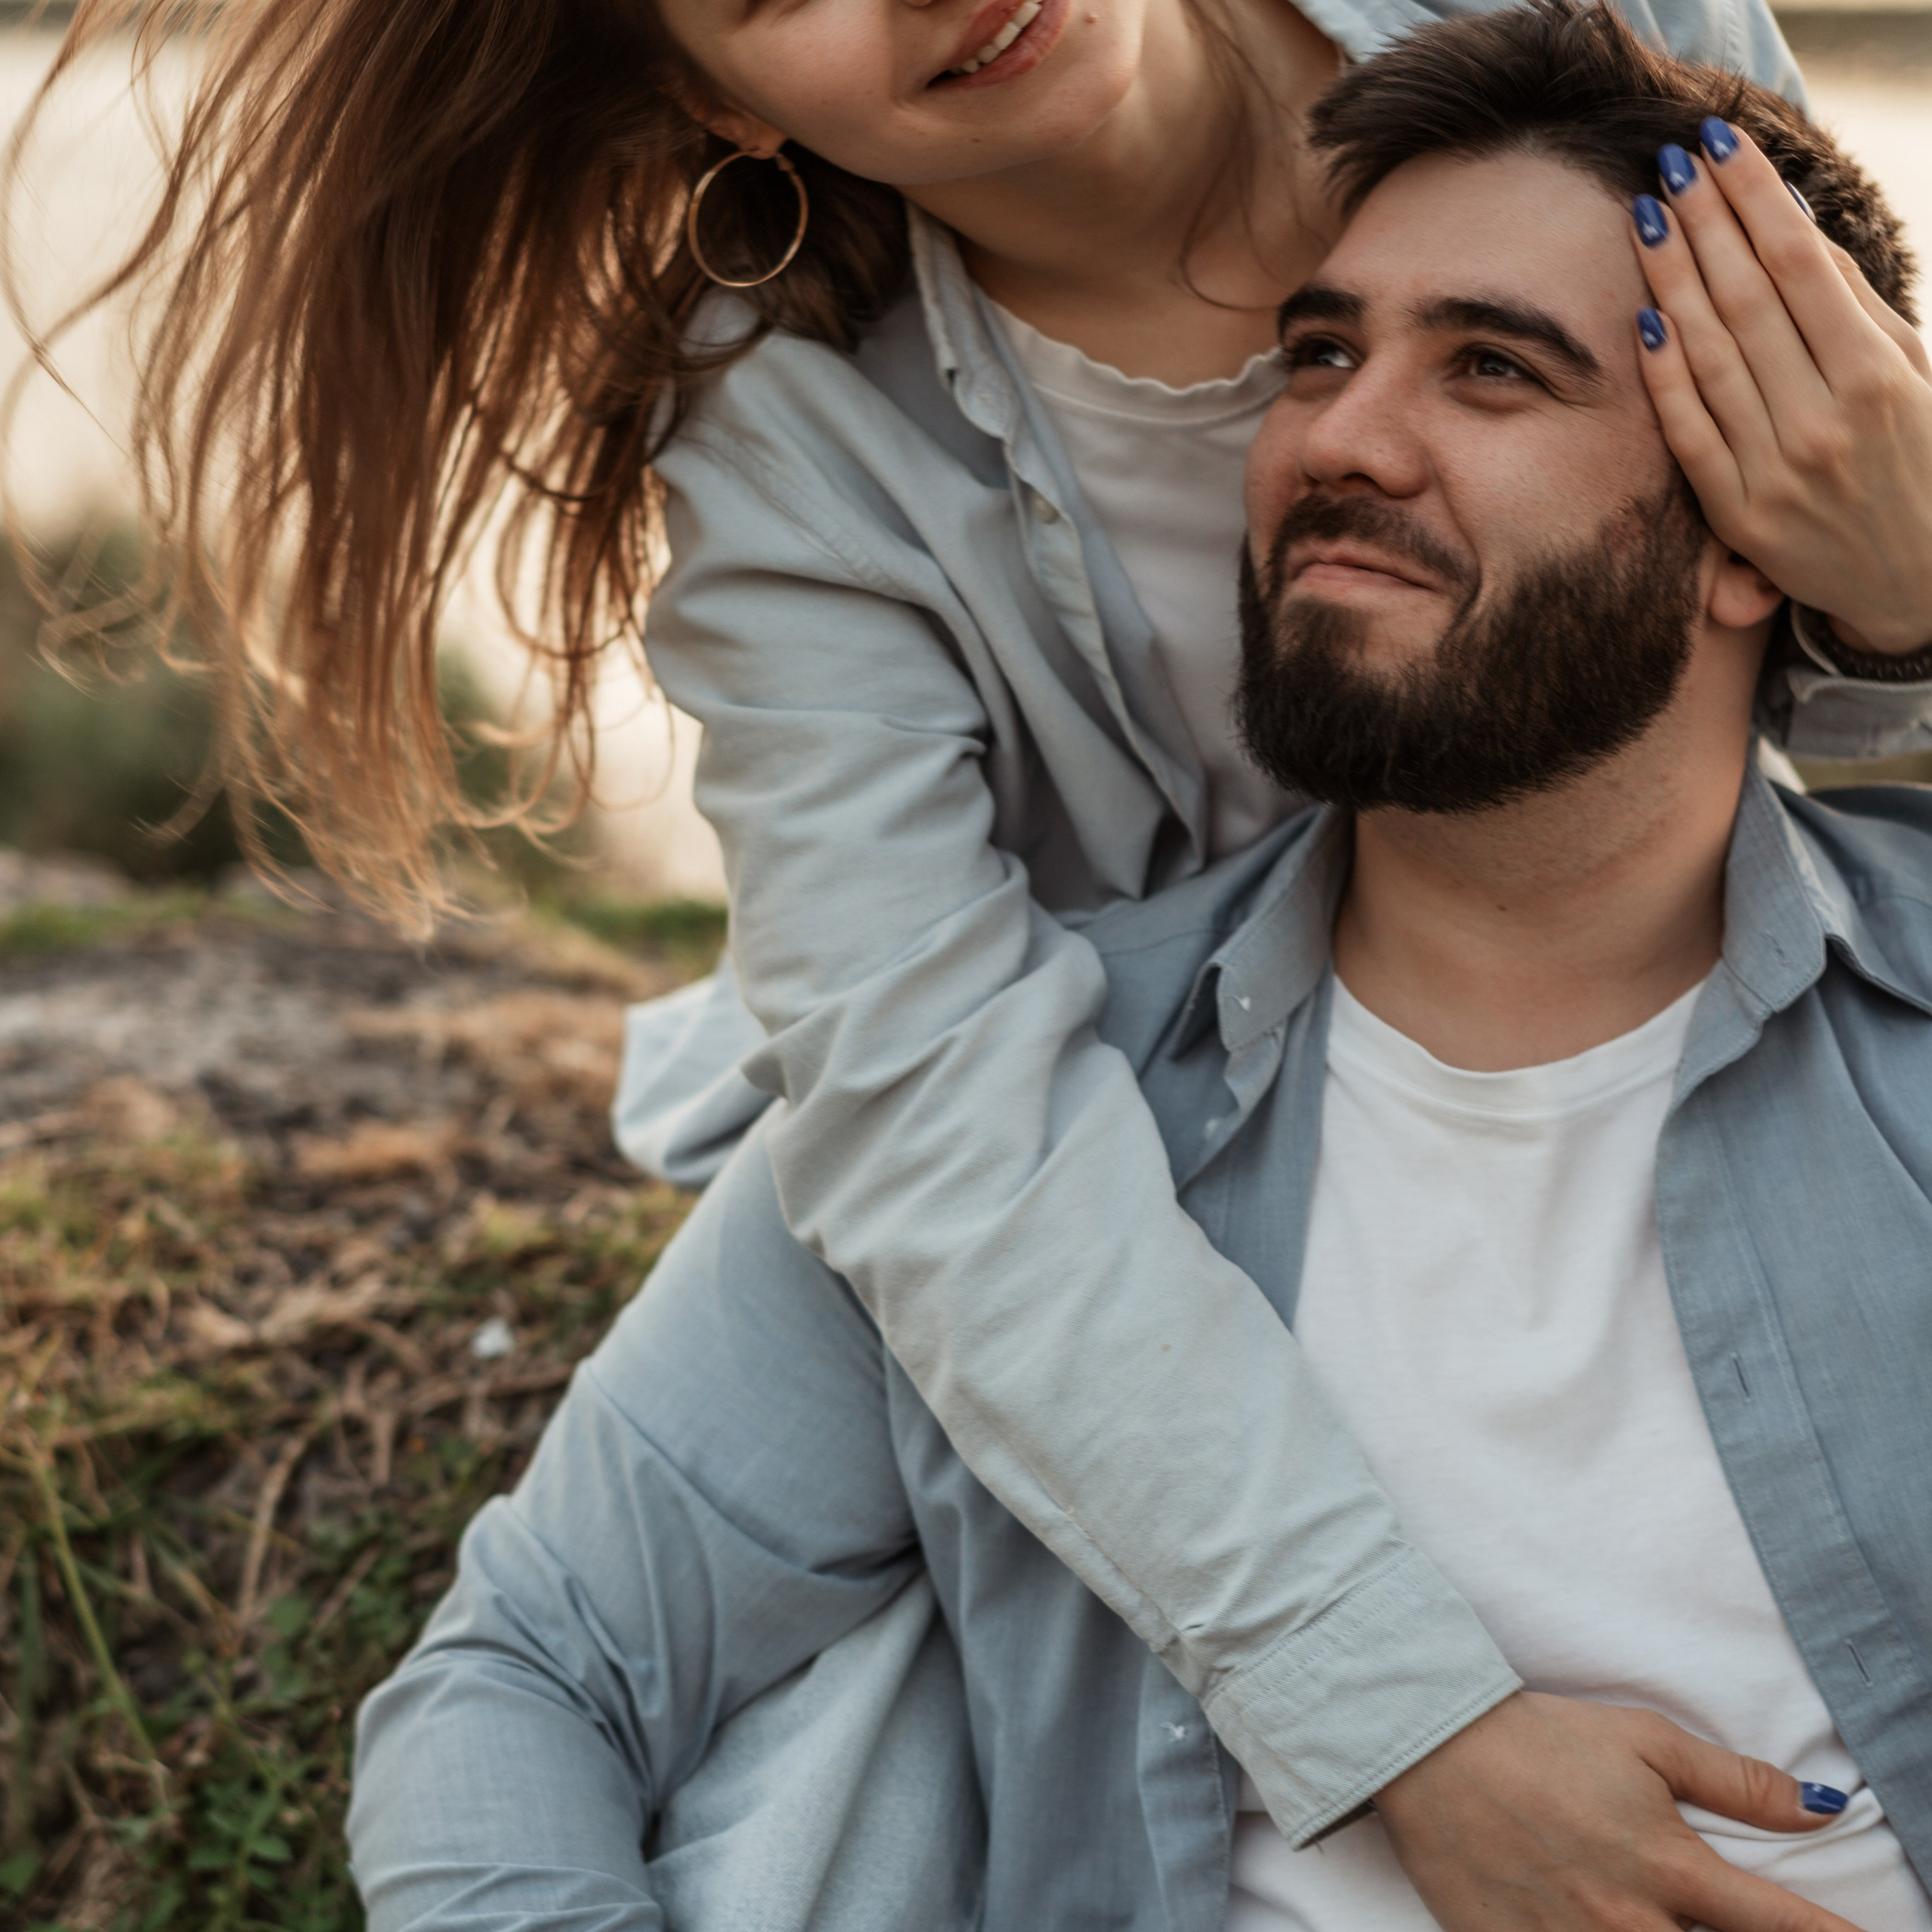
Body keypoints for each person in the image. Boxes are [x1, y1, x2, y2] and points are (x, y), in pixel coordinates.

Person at [31, 0, 1932, 1915]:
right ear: (717, 100)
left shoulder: (1615, 60)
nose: (1350, 435)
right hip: (1078, 1180)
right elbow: (925, 1147)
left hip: (1602, 970)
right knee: (863, 1769)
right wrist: (1403, 1721)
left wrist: (1918, 592)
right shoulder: (795, 454)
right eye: (1314, 354)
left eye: (1494, 370)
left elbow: (1765, 569)